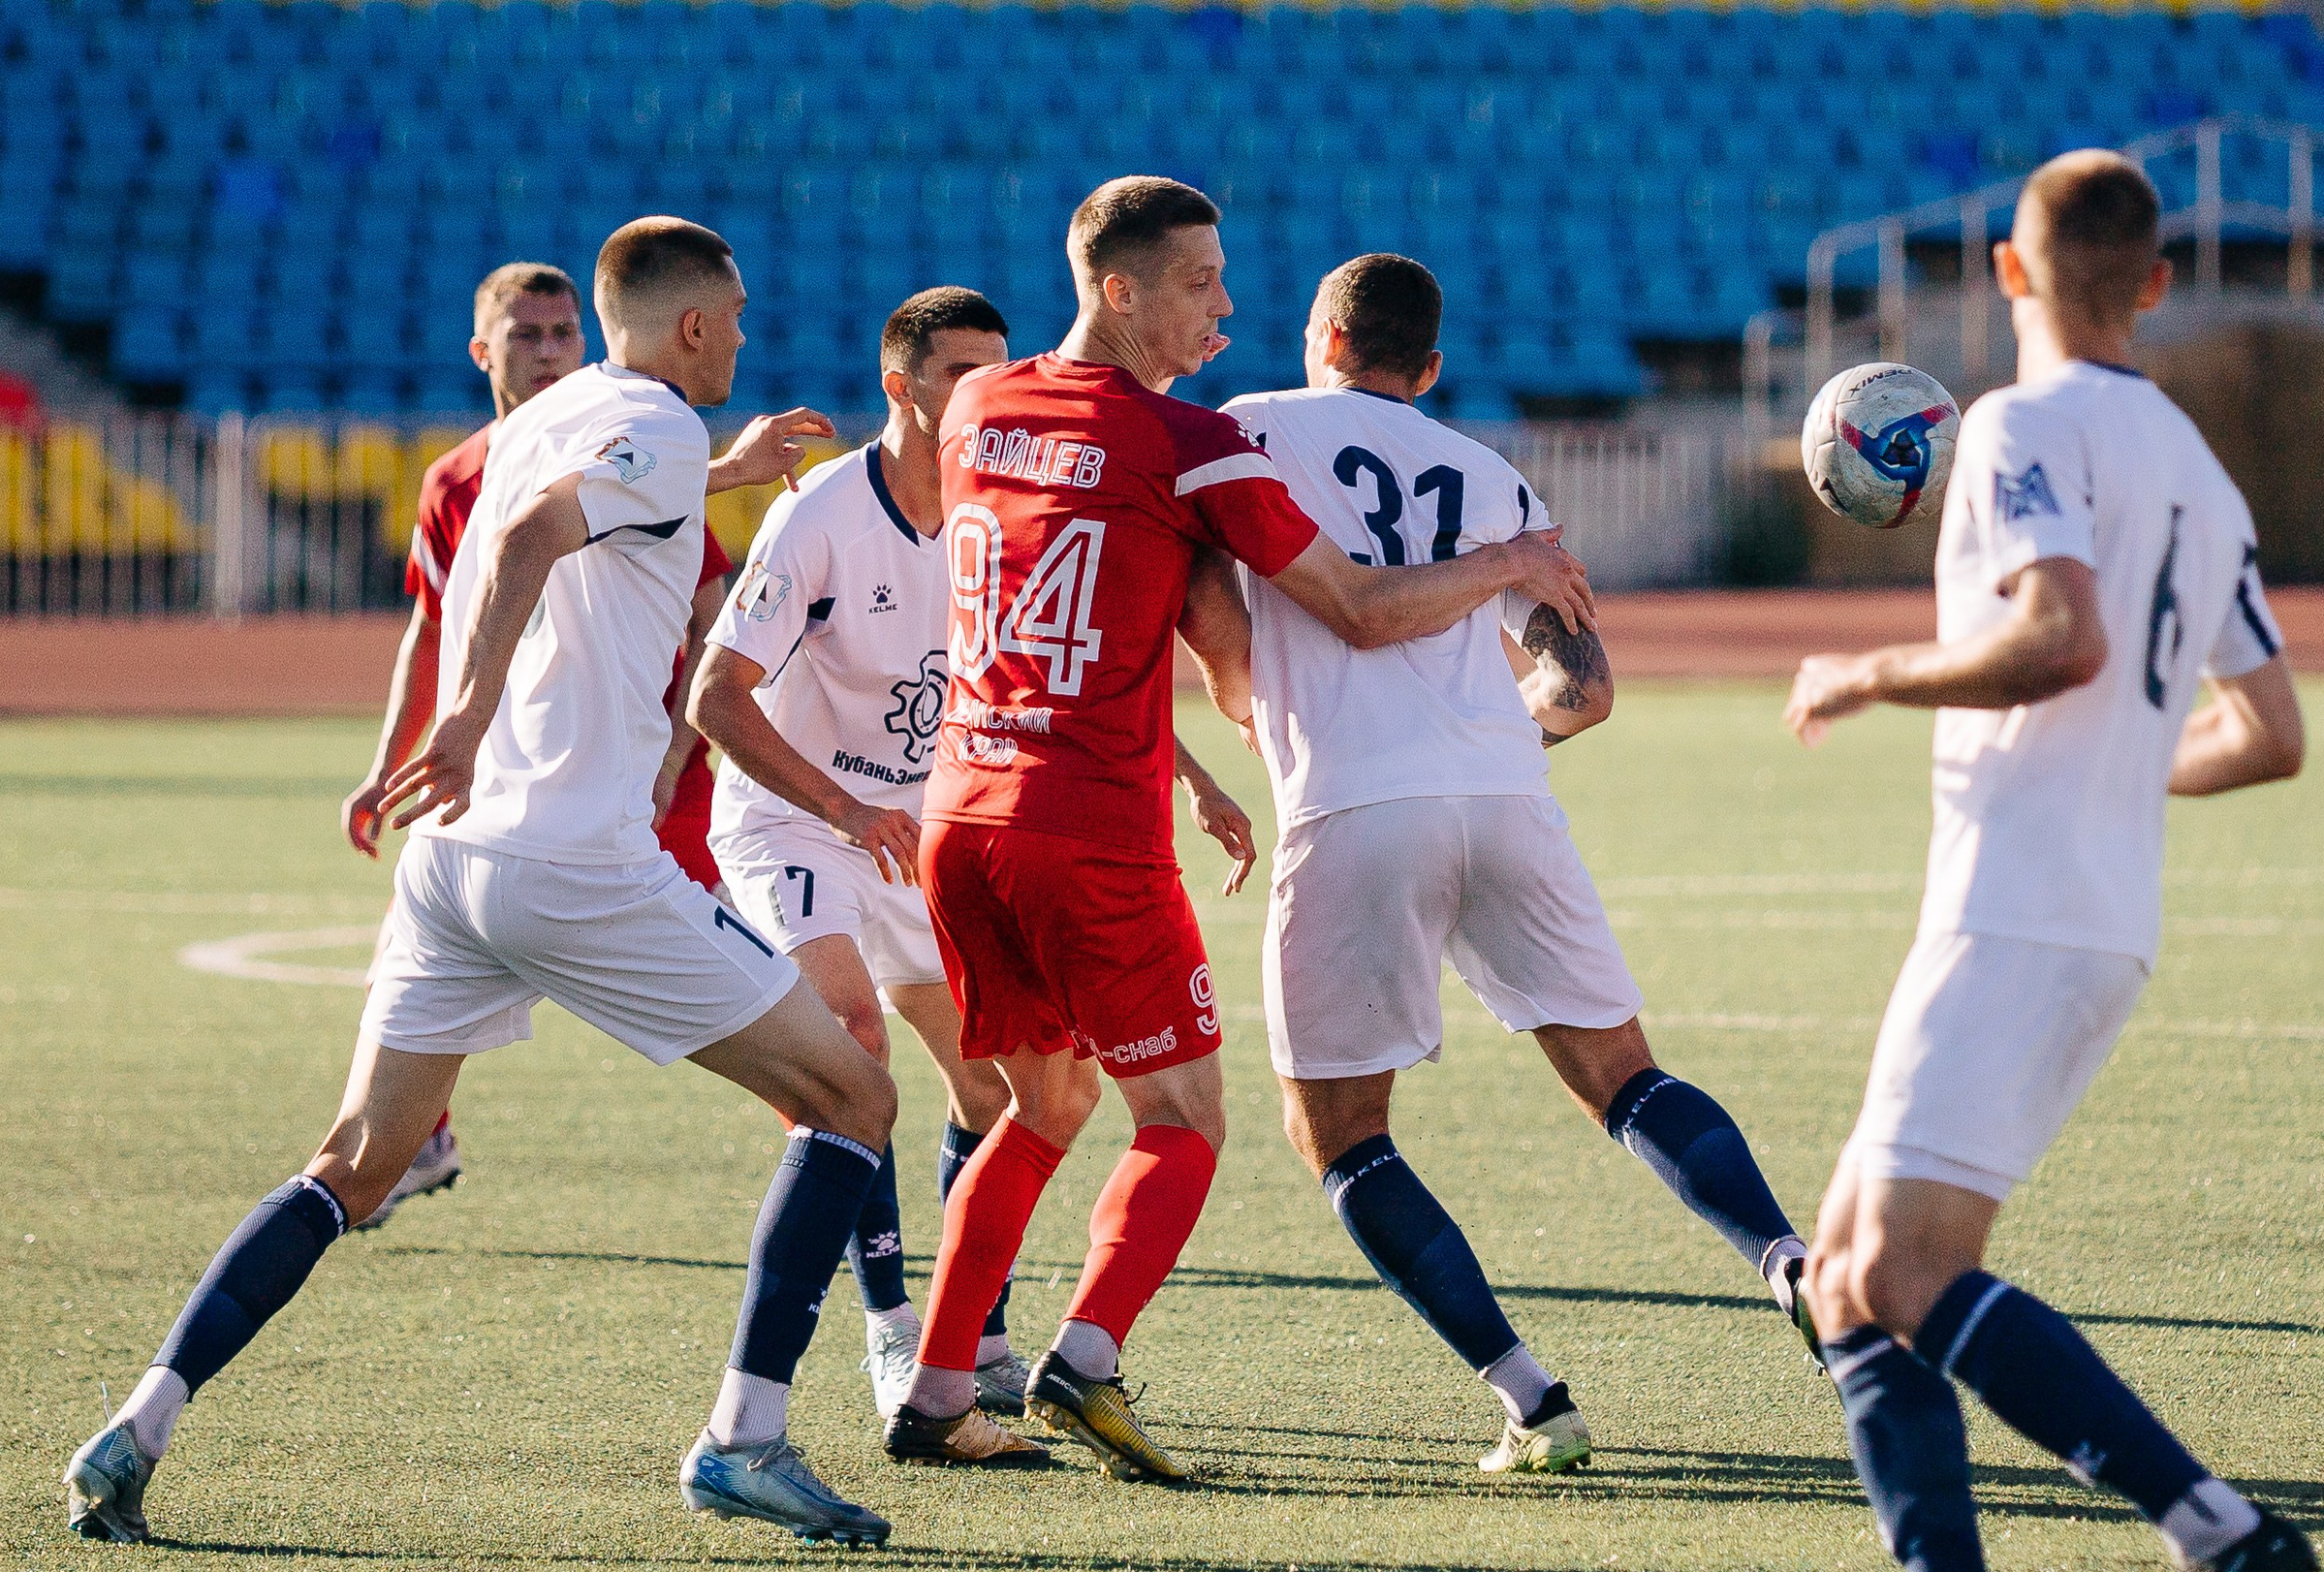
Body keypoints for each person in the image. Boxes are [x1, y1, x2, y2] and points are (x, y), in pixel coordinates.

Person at [66, 218, 902, 1550]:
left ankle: (136, 1423)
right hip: (574, 861)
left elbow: (565, 513)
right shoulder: (655, 429)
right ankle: (745, 1436)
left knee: (351, 1162)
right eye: (734, 312)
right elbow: (524, 539)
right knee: (854, 1090)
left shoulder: (555, 412)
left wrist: (719, 474)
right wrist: (459, 714)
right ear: (691, 324)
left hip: (451, 869)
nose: (745, 330)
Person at [882, 175, 1596, 1482]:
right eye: (1203, 282)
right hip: (1085, 825)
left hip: (964, 812)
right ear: (1121, 289)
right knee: (1186, 1116)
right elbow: (1364, 608)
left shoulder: (979, 405)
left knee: (1037, 1105)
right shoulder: (1194, 444)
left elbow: (1105, 566)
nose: (1228, 305)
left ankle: (936, 1389)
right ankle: (1084, 1356)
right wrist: (1510, 564)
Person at [1783, 152, 2316, 1572]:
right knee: (1847, 1275)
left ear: (2009, 275)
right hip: (2098, 912)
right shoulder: (2201, 469)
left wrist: (1870, 667)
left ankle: (2213, 1523)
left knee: (1893, 1269)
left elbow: (2061, 636)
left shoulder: (2019, 423)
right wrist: (2119, 778)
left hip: (2013, 903)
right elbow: (2271, 732)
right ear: (2156, 283)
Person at [1193, 253, 1816, 1475]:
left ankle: (1533, 1400)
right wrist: (1483, 739)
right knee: (1623, 1076)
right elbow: (1583, 692)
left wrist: (1252, 706)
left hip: (1353, 805)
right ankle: (1791, 1262)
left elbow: (1211, 608)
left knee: (1338, 1133)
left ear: (1320, 333)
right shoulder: (1496, 480)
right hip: (1504, 793)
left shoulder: (1244, 427)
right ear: (1428, 370)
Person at [691, 288, 1263, 1458]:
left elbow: (1057, 669)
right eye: (960, 372)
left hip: (942, 822)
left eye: (996, 367)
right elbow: (713, 699)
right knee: (852, 1048)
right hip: (803, 821)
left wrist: (1193, 776)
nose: (990, 392)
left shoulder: (1005, 493)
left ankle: (968, 1358)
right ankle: (895, 1327)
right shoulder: (818, 518)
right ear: (901, 389)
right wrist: (845, 808)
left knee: (1011, 1099)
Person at [340, 262, 738, 1231]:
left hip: (641, 785)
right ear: (485, 352)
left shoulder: (637, 438)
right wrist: (390, 757)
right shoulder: (459, 478)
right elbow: (432, 630)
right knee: (418, 950)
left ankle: (840, 1158)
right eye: (529, 335)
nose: (553, 351)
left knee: (802, 1008)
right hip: (506, 784)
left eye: (565, 333)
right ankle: (408, 1139)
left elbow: (708, 615)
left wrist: (676, 763)